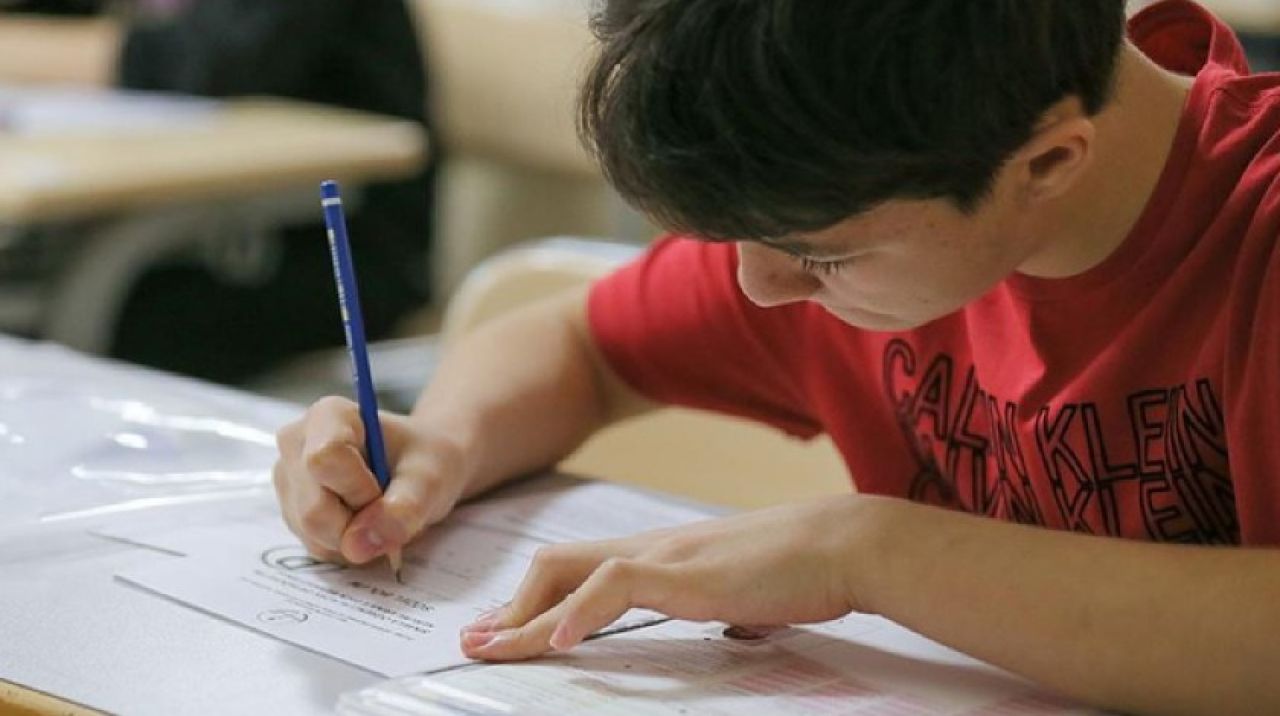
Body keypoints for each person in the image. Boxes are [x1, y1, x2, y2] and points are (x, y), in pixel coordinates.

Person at [272, 1, 1280, 713]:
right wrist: (444, 445)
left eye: (816, 254)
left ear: (1047, 161)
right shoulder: (874, 179)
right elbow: (577, 344)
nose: (760, 289)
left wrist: (867, 554)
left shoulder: (1252, 239)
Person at [0, 0, 437, 383]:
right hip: (167, 229)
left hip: (332, 249)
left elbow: (207, 62)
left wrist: (25, 47)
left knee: (103, 323)